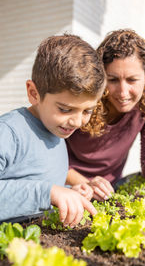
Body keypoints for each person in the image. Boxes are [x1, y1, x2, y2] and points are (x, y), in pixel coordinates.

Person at [0, 33, 106, 226]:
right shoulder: (9, 132)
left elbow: (39, 185)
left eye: (87, 111)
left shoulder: (57, 132)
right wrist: (48, 193)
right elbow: (41, 192)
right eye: (65, 109)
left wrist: (68, 193)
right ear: (34, 93)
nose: (76, 121)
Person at [66, 29, 145, 201]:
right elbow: (49, 158)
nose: (123, 93)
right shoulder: (86, 98)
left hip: (110, 190)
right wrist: (86, 184)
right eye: (112, 80)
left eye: (132, 80)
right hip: (68, 186)